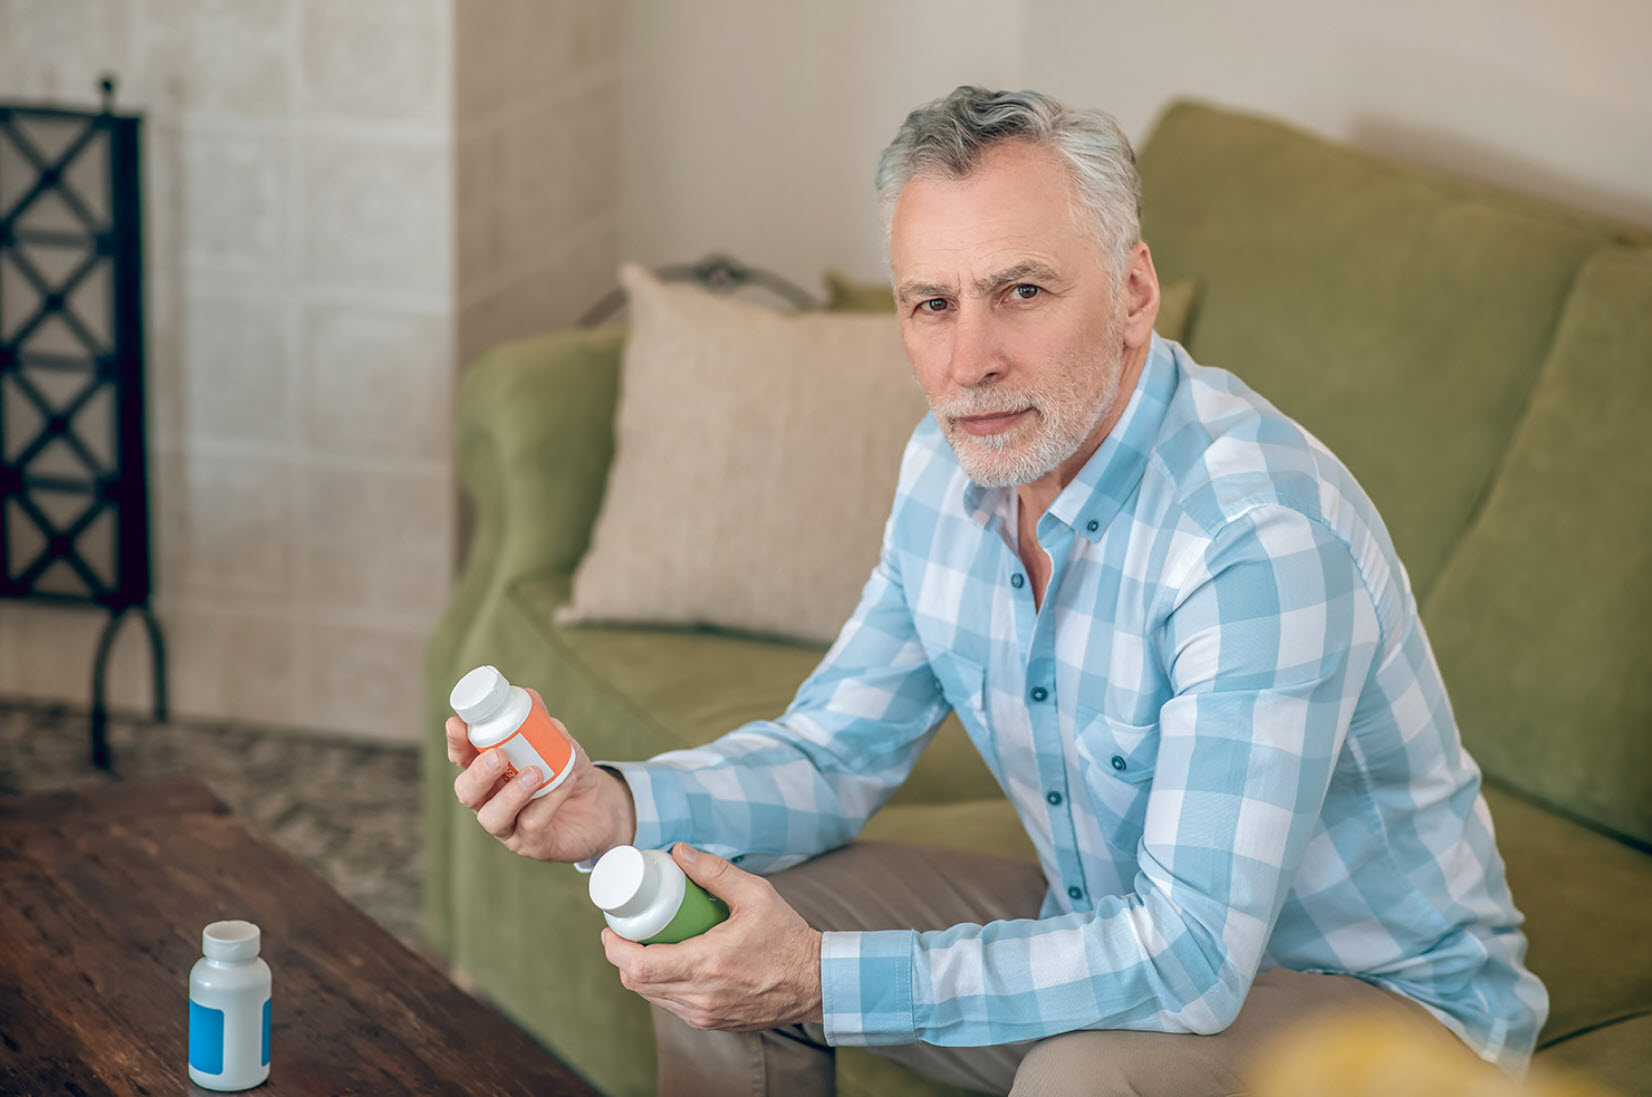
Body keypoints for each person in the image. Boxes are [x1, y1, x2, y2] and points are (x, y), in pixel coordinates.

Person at [446, 85, 1547, 1097]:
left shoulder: (1252, 536)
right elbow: (834, 751)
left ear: (1130, 293)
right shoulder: (950, 467)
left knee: (1078, 1074)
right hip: (1111, 922)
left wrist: (824, 975)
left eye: (1018, 292)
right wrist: (616, 804)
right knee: (715, 932)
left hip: (1385, 1018)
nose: (968, 359)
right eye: (931, 303)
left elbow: (1192, 957)